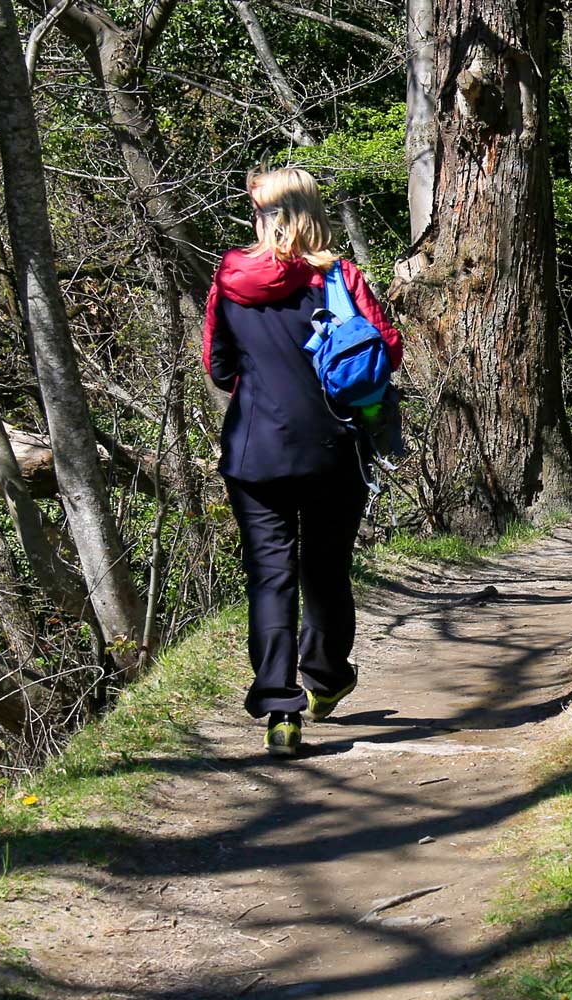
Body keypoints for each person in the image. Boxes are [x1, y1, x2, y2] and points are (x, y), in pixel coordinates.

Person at [202, 167, 401, 757]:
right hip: (332, 450)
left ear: (263, 217)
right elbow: (385, 348)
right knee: (325, 569)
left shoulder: (230, 279)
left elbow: (218, 367)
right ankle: (326, 675)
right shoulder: (339, 277)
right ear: (312, 213)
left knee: (269, 576)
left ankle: (278, 712)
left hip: (253, 452)